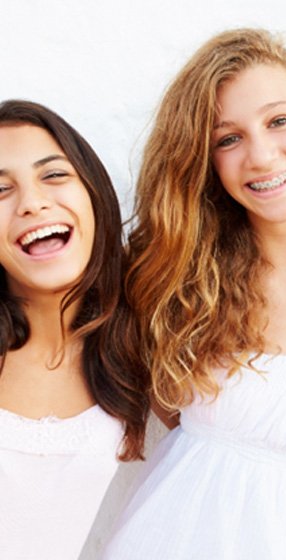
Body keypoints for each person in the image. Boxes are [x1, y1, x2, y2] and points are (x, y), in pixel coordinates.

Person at [102, 28, 286, 560]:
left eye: (279, 121)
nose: (262, 156)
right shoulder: (191, 282)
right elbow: (219, 453)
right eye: (228, 138)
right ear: (208, 159)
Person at [0, 99, 149, 560]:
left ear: (93, 193)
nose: (33, 203)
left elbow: (233, 436)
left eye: (54, 175)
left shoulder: (130, 340)